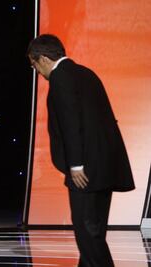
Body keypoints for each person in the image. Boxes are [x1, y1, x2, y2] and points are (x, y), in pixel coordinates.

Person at [27, 34, 135, 267]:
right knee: (94, 232)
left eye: (34, 64)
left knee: (89, 237)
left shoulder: (60, 77)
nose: (36, 71)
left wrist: (76, 165)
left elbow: (71, 123)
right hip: (105, 167)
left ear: (44, 58)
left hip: (85, 171)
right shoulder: (86, 73)